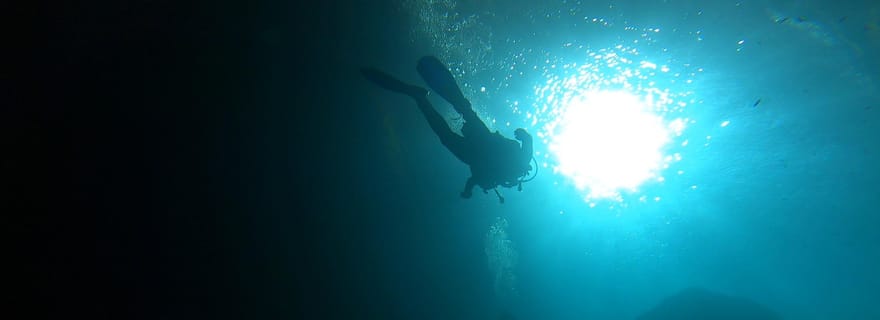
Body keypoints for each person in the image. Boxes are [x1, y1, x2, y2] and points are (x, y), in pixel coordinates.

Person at [361, 56, 534, 202]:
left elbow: (474, 180)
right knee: (453, 125)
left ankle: (420, 98)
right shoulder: (514, 166)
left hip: (477, 148)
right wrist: (523, 135)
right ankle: (420, 98)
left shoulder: (500, 175)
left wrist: (468, 190)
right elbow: (528, 141)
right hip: (481, 144)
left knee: (455, 122)